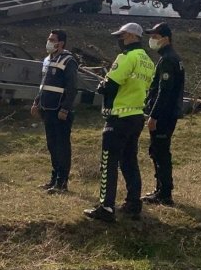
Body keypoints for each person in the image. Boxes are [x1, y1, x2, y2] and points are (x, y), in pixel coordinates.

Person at [84, 23, 154, 222]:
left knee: (108, 162)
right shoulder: (148, 61)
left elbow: (111, 83)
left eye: (121, 36)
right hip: (136, 116)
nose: (119, 40)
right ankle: (133, 204)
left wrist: (102, 85)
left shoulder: (126, 57)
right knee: (130, 161)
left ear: (132, 36)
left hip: (119, 117)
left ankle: (106, 207)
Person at [142, 22, 185, 206]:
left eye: (155, 36)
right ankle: (161, 189)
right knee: (159, 151)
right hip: (169, 113)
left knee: (160, 152)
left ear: (166, 39)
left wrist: (154, 115)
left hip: (164, 115)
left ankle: (164, 193)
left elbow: (164, 91)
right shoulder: (172, 57)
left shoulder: (168, 59)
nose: (152, 40)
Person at [31, 29, 79, 193]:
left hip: (59, 110)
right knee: (52, 145)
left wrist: (65, 108)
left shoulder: (68, 60)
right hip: (47, 109)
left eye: (52, 39)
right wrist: (36, 102)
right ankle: (54, 179)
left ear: (61, 43)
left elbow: (72, 87)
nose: (49, 42)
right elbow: (43, 85)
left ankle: (62, 182)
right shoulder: (47, 60)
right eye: (49, 39)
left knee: (62, 146)